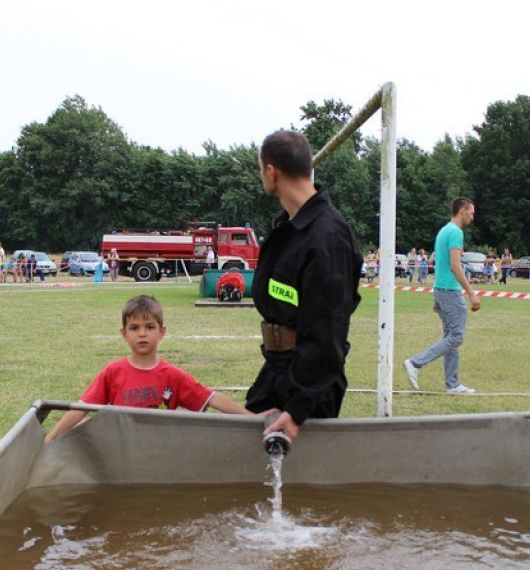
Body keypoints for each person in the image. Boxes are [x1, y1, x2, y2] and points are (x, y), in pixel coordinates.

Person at [246, 130, 363, 442]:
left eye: (261, 170)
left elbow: (328, 332)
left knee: (302, 485)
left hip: (310, 387)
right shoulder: (290, 228)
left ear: (271, 171)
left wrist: (298, 410)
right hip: (277, 372)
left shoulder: (327, 236)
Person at [44, 295, 251, 443]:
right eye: (134, 328)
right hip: (119, 455)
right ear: (124, 333)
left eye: (149, 327)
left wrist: (252, 419)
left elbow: (211, 398)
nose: (142, 334)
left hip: (158, 455)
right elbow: (82, 407)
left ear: (161, 332)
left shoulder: (173, 376)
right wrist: (50, 439)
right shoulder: (112, 372)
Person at [403, 197, 481, 395]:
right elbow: (455, 266)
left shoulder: (444, 230)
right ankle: (415, 362)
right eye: (471, 212)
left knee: (450, 336)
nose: (473, 216)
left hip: (441, 290)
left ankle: (452, 384)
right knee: (456, 337)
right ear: (462, 210)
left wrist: (437, 298)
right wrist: (471, 293)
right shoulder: (455, 232)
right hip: (449, 290)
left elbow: (442, 264)